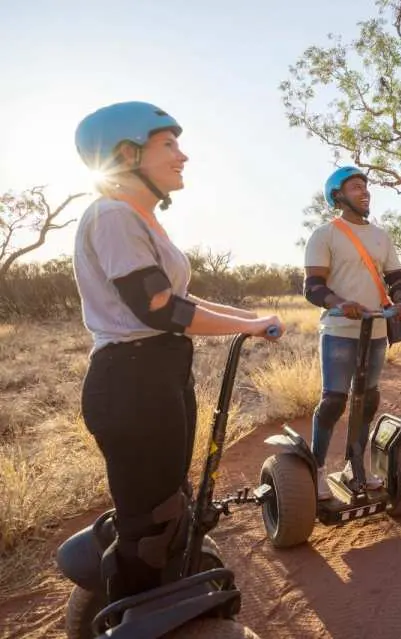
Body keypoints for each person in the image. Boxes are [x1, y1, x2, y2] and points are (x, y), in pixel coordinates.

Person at [72, 101, 284, 603]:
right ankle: (139, 609)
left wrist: (249, 323)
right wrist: (247, 324)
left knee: (170, 500)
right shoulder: (112, 215)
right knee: (152, 518)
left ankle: (158, 592)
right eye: (168, 144)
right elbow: (158, 306)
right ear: (126, 154)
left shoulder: (137, 219)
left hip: (158, 373)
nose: (182, 155)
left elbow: (179, 301)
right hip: (131, 380)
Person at [302, 166, 401, 499]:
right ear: (338, 196)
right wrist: (341, 303)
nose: (364, 191)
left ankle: (355, 467)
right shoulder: (325, 234)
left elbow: (396, 278)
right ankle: (316, 469)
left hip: (377, 328)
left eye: (365, 186)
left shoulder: (381, 235)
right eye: (355, 187)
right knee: (334, 400)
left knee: (367, 400)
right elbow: (312, 287)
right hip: (339, 330)